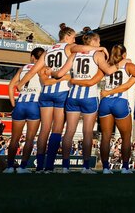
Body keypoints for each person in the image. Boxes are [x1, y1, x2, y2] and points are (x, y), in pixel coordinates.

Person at [16, 24, 100, 172]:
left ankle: (39, 166)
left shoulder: (48, 51)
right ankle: (49, 166)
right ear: (67, 37)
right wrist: (101, 49)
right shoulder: (69, 48)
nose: (74, 40)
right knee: (57, 130)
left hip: (46, 92)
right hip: (62, 92)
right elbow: (84, 48)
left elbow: (33, 70)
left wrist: (21, 83)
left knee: (44, 130)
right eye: (73, 37)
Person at [51, 31, 118, 173]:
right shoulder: (98, 54)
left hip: (73, 96)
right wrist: (120, 64)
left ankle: (64, 166)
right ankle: (86, 167)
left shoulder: (74, 55)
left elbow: (60, 74)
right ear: (93, 42)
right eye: (98, 42)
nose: (99, 44)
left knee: (69, 131)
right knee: (87, 132)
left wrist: (51, 73)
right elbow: (109, 71)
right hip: (89, 97)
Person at [98, 44, 135, 173]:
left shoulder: (106, 65)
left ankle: (105, 168)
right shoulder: (128, 65)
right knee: (126, 137)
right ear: (124, 55)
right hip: (120, 101)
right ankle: (125, 167)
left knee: (105, 137)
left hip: (105, 101)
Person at [5, 47, 45, 173]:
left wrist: (13, 104)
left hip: (20, 104)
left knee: (14, 139)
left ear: (32, 56)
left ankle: (10, 167)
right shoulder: (41, 68)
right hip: (34, 104)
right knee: (29, 139)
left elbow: (11, 86)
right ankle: (22, 167)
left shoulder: (23, 68)